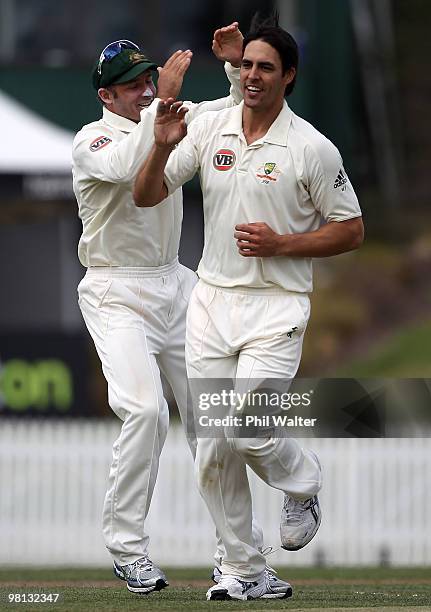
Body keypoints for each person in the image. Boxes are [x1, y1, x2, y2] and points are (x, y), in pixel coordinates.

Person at [133, 13, 364, 602]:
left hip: (277, 305)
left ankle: (303, 481)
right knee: (210, 447)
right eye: (247, 66)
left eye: (266, 67)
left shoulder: (312, 148)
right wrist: (159, 149)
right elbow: (146, 194)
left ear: (289, 76)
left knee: (249, 430)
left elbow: (352, 230)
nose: (254, 76)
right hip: (211, 302)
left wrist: (283, 244)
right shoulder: (211, 127)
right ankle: (244, 569)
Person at [72, 26, 291, 599]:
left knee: (213, 419)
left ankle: (239, 562)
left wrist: (232, 66)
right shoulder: (90, 142)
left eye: (149, 81)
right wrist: (164, 107)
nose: (146, 92)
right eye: (133, 86)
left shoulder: (168, 112)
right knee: (145, 412)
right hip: (114, 289)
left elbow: (226, 108)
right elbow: (127, 165)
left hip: (174, 283)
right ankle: (126, 549)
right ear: (106, 96)